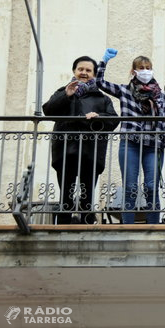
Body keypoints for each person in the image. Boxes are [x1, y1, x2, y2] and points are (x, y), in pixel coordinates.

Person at [96, 48, 165, 224]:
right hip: (130, 143)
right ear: (134, 71)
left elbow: (164, 120)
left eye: (148, 67)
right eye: (141, 68)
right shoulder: (124, 91)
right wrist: (104, 62)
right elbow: (99, 82)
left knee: (151, 187)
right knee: (130, 187)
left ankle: (154, 227)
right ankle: (128, 227)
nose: (145, 71)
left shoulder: (159, 95)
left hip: (153, 145)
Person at [43, 56, 119, 224]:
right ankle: (63, 226)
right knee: (66, 195)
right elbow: (48, 111)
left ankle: (87, 226)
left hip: (90, 152)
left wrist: (99, 117)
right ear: (74, 71)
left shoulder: (102, 98)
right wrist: (66, 95)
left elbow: (114, 120)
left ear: (93, 74)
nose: (84, 73)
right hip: (65, 151)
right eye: (80, 69)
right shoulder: (63, 91)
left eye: (88, 70)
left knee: (87, 196)